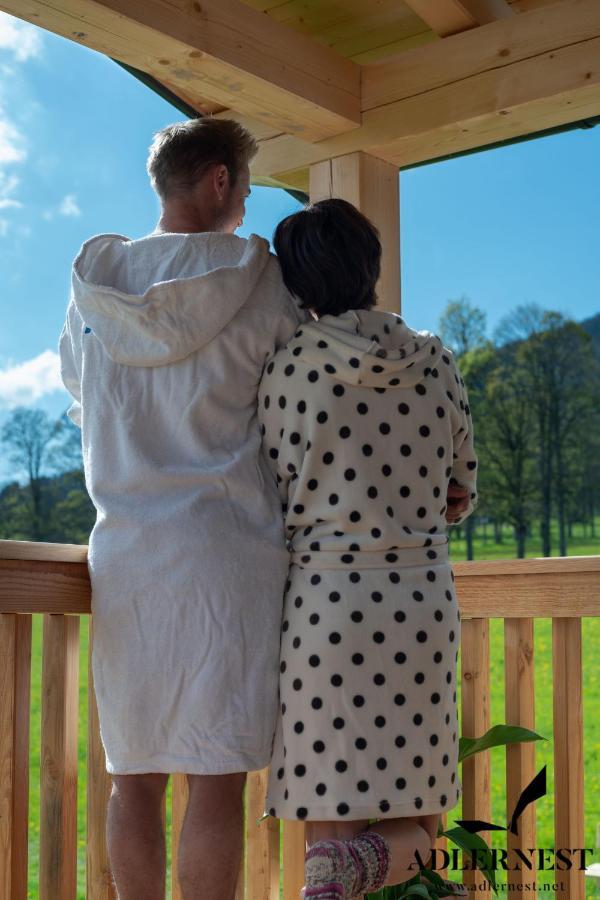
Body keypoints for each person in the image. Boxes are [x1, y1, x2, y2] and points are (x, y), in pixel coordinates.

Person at [58, 116, 308, 900]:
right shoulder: (260, 281)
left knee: (133, 776)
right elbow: (297, 403)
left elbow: (78, 397)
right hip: (227, 557)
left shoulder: (96, 295)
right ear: (221, 181)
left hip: (127, 559)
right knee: (216, 779)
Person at [257, 198, 478, 899]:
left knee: (332, 825)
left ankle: (338, 874)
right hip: (420, 606)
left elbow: (272, 491)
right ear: (372, 267)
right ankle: (358, 870)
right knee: (422, 819)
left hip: (326, 609)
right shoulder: (434, 358)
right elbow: (461, 487)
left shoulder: (290, 367)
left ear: (300, 285)